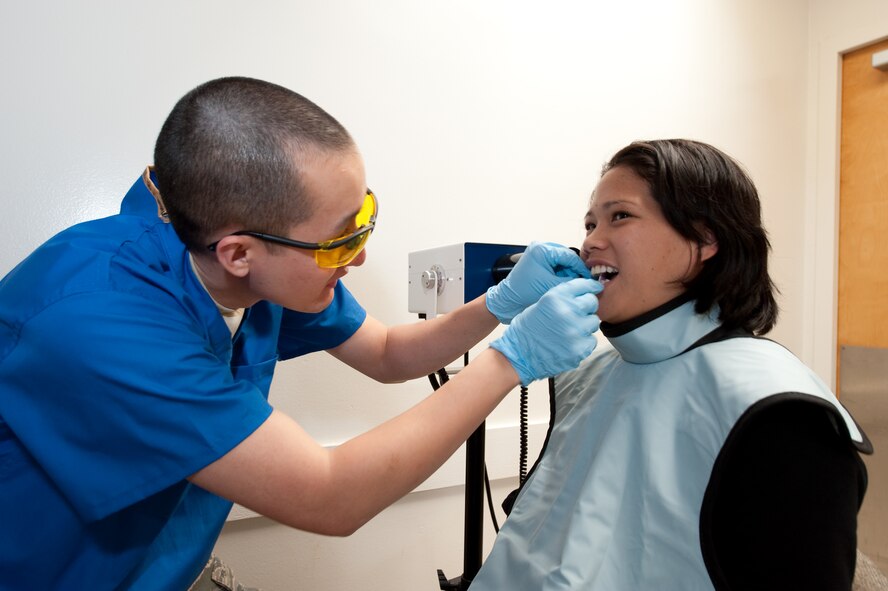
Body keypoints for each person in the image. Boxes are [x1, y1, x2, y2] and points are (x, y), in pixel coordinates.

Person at [0, 76, 604, 590]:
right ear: (239, 252)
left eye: (363, 219)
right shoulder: (102, 322)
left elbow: (389, 353)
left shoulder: (252, 265)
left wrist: (497, 304)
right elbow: (329, 496)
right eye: (343, 239)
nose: (359, 259)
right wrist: (509, 361)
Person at [471, 139, 872, 591]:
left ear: (704, 238)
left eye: (619, 216)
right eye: (589, 222)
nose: (590, 242)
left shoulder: (779, 414)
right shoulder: (584, 376)